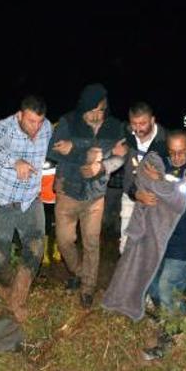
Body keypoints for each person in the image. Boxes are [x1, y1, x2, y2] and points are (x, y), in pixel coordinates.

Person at [47, 83, 126, 308]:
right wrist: (82, 153)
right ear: (83, 107)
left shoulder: (114, 126)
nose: (96, 115)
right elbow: (52, 151)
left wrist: (100, 165)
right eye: (91, 110)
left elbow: (121, 155)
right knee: (65, 241)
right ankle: (79, 271)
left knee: (92, 242)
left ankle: (88, 288)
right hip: (68, 190)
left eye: (100, 110)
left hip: (96, 193)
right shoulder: (67, 122)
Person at [142, 131, 186, 359]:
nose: (178, 157)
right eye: (173, 153)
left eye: (182, 152)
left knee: (167, 286)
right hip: (163, 238)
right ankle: (171, 322)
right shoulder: (163, 165)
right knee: (151, 286)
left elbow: (182, 204)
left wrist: (158, 183)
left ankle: (171, 338)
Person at [0, 95, 52, 321]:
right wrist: (16, 161)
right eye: (31, 121)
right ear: (20, 115)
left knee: (34, 249)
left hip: (31, 202)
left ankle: (17, 301)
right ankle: (9, 285)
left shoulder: (47, 127)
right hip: (1, 202)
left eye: (40, 122)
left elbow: (55, 144)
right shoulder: (4, 128)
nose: (36, 127)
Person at [120, 102, 167, 253]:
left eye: (143, 123)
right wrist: (135, 193)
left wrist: (161, 178)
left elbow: (177, 171)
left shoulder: (165, 141)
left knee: (148, 247)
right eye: (134, 123)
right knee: (126, 244)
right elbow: (127, 174)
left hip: (155, 199)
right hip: (130, 194)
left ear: (152, 120)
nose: (138, 128)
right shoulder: (125, 134)